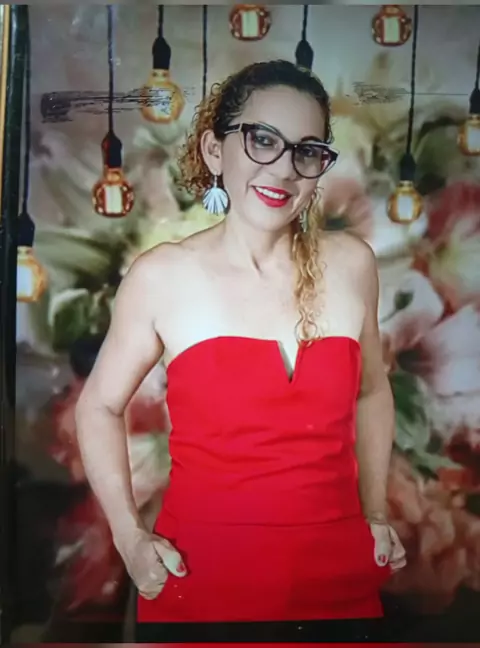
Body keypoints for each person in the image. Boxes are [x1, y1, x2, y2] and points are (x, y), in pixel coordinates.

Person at [75, 59, 406, 627]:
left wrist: (375, 512)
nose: (283, 170)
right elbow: (98, 407)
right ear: (214, 150)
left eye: (305, 151)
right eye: (262, 141)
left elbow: (373, 392)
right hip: (199, 589)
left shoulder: (354, 264)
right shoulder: (161, 275)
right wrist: (130, 538)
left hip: (341, 587)